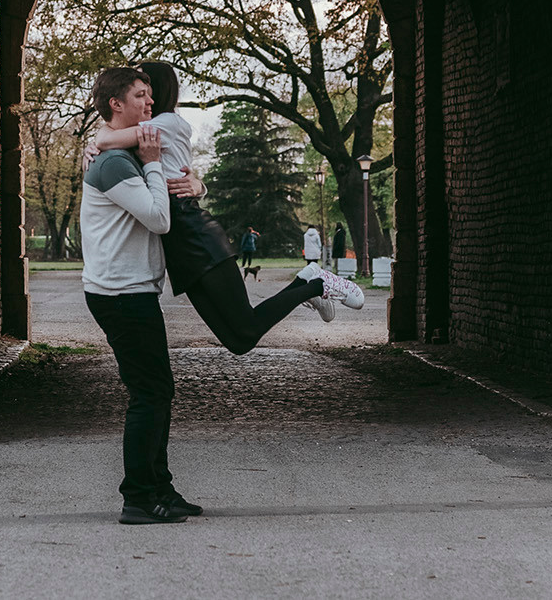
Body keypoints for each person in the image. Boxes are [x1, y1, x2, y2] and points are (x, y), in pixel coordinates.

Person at [88, 61, 363, 345]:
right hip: (179, 247)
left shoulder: (164, 123)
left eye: (147, 90)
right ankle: (305, 281)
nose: (148, 99)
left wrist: (96, 141)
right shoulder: (148, 130)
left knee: (246, 330)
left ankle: (318, 284)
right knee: (238, 340)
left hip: (194, 234)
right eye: (139, 94)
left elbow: (106, 140)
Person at [80, 66, 191, 526]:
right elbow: (158, 219)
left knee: (157, 391)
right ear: (116, 105)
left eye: (151, 96)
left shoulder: (118, 152)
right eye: (141, 97)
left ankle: (159, 487)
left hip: (132, 290)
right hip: (121, 294)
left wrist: (193, 180)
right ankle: (139, 497)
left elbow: (180, 182)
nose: (150, 104)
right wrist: (150, 163)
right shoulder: (113, 163)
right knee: (149, 393)